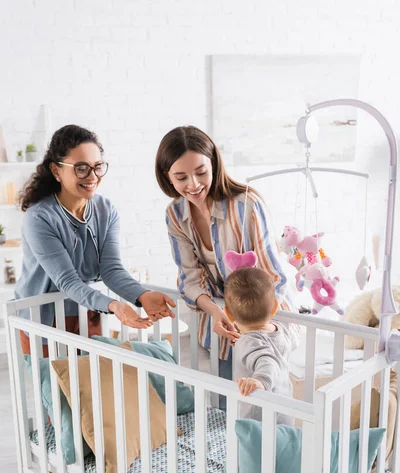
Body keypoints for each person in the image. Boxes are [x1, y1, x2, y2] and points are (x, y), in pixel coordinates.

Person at [155, 125, 296, 395]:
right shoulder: (175, 215)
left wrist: (253, 323)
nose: (193, 185)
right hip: (220, 318)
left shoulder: (246, 205)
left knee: (267, 394)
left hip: (261, 318)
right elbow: (190, 279)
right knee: (229, 401)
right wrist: (217, 311)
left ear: (214, 165)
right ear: (168, 177)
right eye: (181, 177)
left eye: (201, 172)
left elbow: (274, 276)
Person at [16, 124, 175, 356]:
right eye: (81, 168)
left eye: (97, 167)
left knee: (94, 384)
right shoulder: (39, 218)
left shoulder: (105, 210)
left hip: (86, 308)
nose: (92, 177)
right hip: (43, 317)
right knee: (56, 387)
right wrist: (113, 305)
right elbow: (68, 281)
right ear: (57, 171)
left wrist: (142, 295)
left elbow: (111, 269)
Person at [224, 267, 294, 424]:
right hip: (285, 413)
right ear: (275, 307)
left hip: (258, 420)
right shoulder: (281, 330)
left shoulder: (247, 343)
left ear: (228, 314)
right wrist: (245, 347)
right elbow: (272, 349)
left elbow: (267, 361)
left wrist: (260, 380)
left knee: (250, 449)